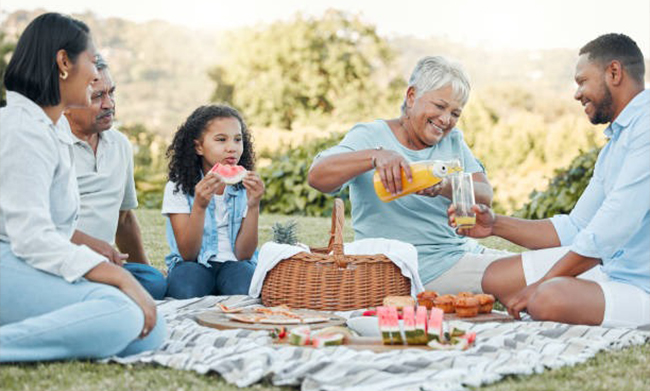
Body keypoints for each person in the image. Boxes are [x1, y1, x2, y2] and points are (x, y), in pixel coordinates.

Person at [452, 34, 649, 328]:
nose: (577, 93)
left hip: (641, 286)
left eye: (582, 81)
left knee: (546, 297)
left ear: (615, 73)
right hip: (614, 272)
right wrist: (495, 225)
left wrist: (543, 282)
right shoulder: (615, 143)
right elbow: (576, 227)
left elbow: (611, 228)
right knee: (496, 278)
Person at [0, 13, 165, 362]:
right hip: (10, 261)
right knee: (123, 311)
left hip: (30, 263)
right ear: (63, 62)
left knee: (149, 330)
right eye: (91, 60)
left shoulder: (50, 128)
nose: (95, 75)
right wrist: (119, 278)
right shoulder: (21, 130)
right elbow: (32, 237)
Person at [308, 56, 511, 294]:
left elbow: (485, 195)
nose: (446, 119)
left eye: (455, 113)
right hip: (415, 268)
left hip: (461, 252)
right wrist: (375, 156)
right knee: (537, 274)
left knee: (550, 265)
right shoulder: (370, 136)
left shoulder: (453, 140)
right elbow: (317, 176)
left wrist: (444, 186)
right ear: (412, 96)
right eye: (439, 106)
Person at [63, 56, 167, 299]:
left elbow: (124, 219)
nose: (109, 104)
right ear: (66, 104)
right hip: (60, 262)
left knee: (154, 283)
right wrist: (88, 246)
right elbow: (38, 227)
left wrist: (147, 270)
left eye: (111, 93)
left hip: (105, 266)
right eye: (97, 96)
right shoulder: (50, 145)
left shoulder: (120, 144)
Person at [163, 105, 264, 298]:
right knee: (185, 287)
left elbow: (244, 255)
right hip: (194, 264)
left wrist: (253, 206)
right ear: (198, 147)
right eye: (221, 140)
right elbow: (188, 254)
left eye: (238, 139)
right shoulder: (178, 187)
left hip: (234, 265)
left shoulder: (245, 185)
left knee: (246, 286)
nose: (232, 147)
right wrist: (199, 206)